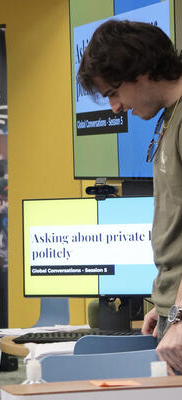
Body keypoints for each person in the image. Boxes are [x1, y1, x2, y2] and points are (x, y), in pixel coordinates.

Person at [78, 19, 182, 374]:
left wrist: (181, 312)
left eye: (113, 91)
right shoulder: (169, 119)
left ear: (141, 71)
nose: (114, 107)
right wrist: (166, 303)